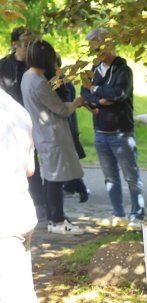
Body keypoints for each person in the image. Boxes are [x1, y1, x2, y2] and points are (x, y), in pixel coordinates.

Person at [1, 87, 58, 303]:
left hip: (3, 218)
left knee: (16, 295)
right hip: (20, 210)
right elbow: (29, 168)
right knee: (20, 288)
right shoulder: (15, 108)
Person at [82, 28, 145, 229]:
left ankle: (137, 215)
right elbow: (85, 95)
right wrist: (98, 98)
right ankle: (118, 214)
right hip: (101, 133)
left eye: (98, 47)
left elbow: (117, 94)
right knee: (110, 177)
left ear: (109, 45)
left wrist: (96, 90)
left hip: (121, 133)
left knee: (131, 176)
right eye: (93, 49)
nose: (96, 52)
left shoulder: (124, 71)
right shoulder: (92, 71)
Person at [21, 40, 86, 235]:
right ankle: (57, 221)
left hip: (43, 133)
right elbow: (60, 109)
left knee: (52, 177)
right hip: (51, 134)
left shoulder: (27, 77)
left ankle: (57, 219)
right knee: (55, 179)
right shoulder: (38, 82)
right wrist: (76, 103)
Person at [2, 27, 45, 220]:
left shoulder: (37, 65)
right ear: (14, 44)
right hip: (11, 122)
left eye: (32, 43)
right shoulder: (3, 66)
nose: (29, 47)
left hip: (36, 119)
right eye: (26, 43)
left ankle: (42, 202)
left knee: (36, 164)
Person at [50, 56, 90, 203]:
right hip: (67, 124)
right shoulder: (61, 80)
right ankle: (74, 187)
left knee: (67, 160)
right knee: (67, 160)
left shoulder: (60, 81)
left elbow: (66, 104)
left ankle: (79, 187)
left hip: (65, 125)